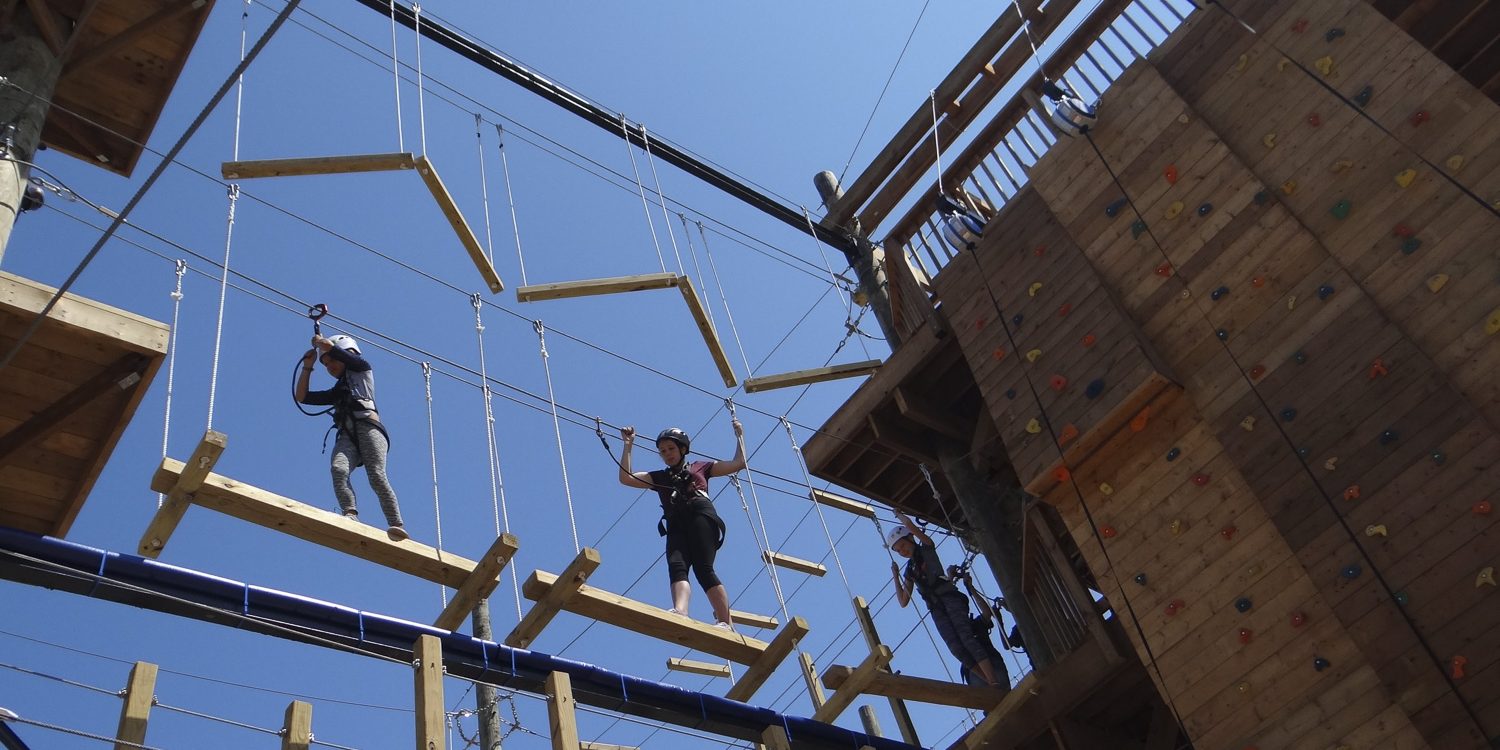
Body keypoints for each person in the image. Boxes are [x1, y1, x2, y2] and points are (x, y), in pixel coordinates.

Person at [617, 421, 745, 630]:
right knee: (677, 566)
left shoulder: (700, 467)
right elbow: (626, 478)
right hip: (676, 521)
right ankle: (680, 611)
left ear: (682, 449)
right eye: (662, 451)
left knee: (703, 569)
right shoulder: (659, 476)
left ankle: (725, 622)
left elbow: (738, 463)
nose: (667, 454)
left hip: (700, 514)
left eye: (671, 449)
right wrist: (628, 445)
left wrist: (740, 436)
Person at [294, 334, 408, 542]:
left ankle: (396, 524)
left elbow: (338, 351)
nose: (330, 367)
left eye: (332, 361)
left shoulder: (362, 369)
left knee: (376, 475)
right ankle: (350, 513)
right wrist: (308, 367)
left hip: (369, 429)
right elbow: (302, 397)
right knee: (338, 468)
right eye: (326, 365)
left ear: (348, 354)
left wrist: (323, 344)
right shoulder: (338, 391)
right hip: (347, 434)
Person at [889, 510, 1002, 688]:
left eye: (902, 546)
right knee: (955, 648)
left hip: (949, 598)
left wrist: (899, 515)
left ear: (911, 538)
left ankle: (993, 680)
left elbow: (911, 526)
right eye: (897, 551)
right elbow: (903, 601)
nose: (901, 551)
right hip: (936, 608)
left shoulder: (926, 548)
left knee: (966, 638)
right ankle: (988, 682)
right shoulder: (909, 571)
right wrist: (895, 576)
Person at [953, 565, 1011, 690]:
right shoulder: (967, 626)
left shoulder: (971, 625)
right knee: (1001, 694)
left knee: (992, 699)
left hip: (982, 665)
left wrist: (970, 588)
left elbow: (987, 612)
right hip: (984, 665)